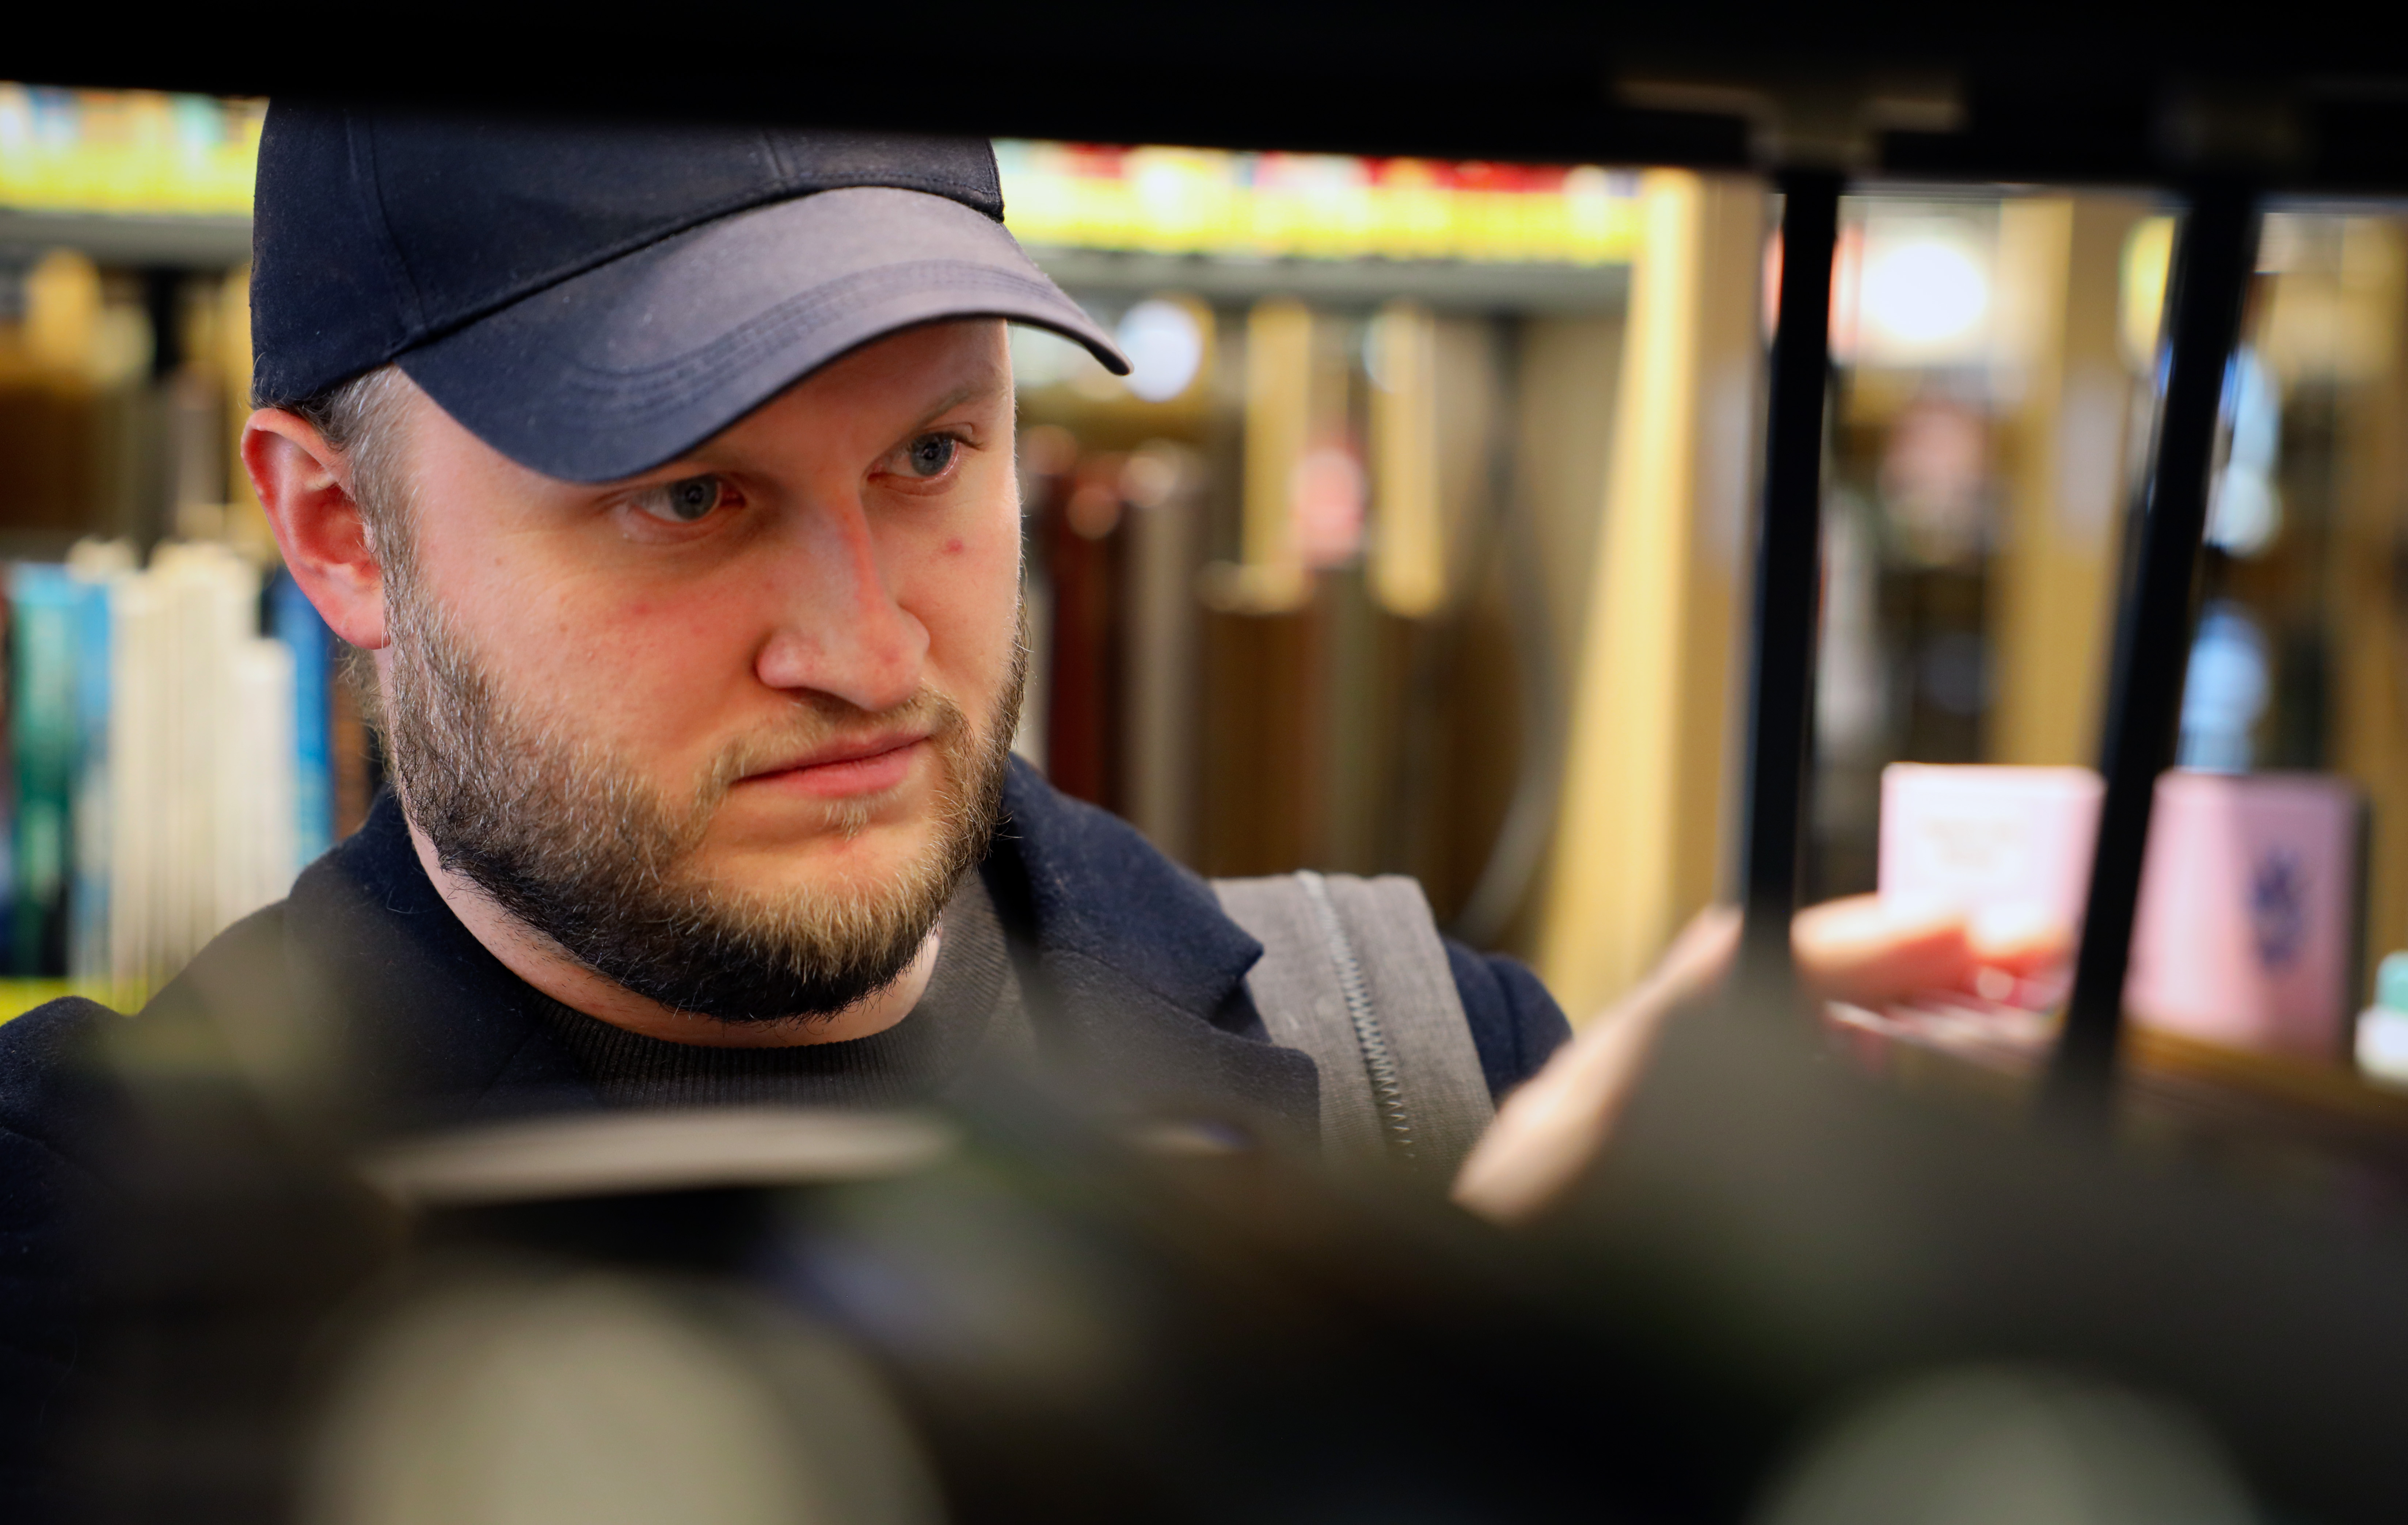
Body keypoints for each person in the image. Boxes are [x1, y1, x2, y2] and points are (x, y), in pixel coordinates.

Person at [0, 105, 2066, 1485]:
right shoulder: (96, 1255)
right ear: (341, 529)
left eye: (932, 459)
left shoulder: (1420, 1070)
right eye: (693, 497)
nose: (873, 646)